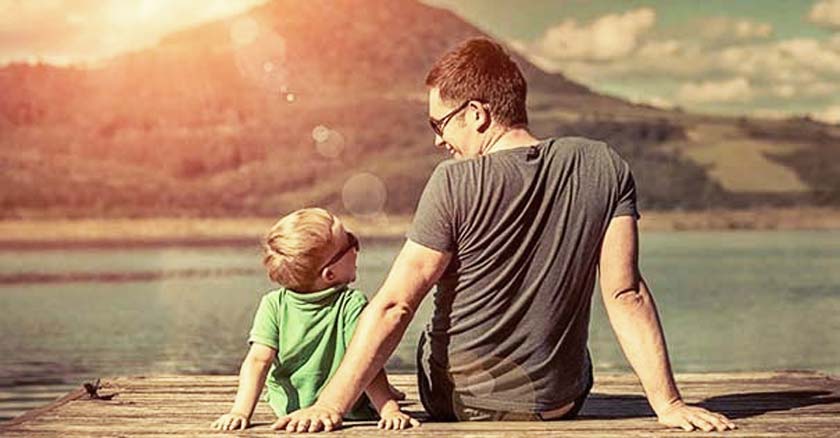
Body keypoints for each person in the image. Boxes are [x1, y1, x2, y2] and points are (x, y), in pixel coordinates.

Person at [273, 38, 736, 433]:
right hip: (559, 405)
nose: (437, 140)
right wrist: (668, 405)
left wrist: (330, 404)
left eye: (439, 124)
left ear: (476, 113)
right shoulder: (604, 165)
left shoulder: (452, 182)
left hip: (460, 404)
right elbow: (625, 292)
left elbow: (396, 305)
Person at [210, 208, 418, 431]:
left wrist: (240, 412)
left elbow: (258, 361)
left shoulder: (273, 304)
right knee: (368, 367)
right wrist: (389, 409)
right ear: (330, 274)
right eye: (350, 242)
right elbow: (367, 361)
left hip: (289, 409)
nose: (356, 248)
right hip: (349, 408)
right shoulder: (351, 304)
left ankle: (384, 393)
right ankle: (381, 396)